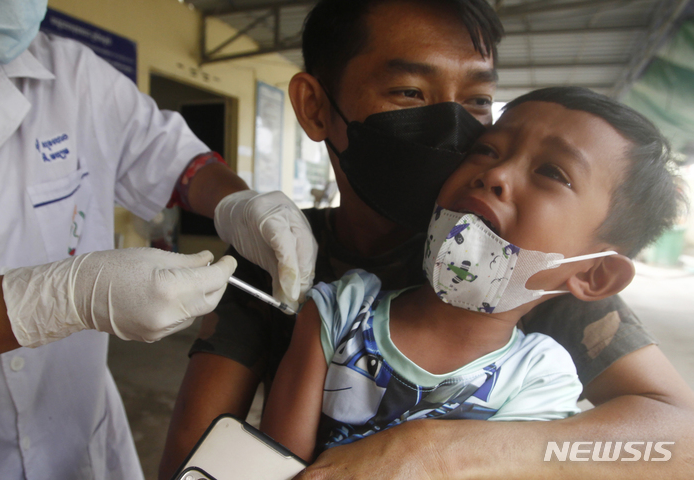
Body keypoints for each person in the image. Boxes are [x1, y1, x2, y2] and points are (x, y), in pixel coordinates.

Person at [162, 1, 694, 478]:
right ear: (316, 107)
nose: (455, 125)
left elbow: (679, 438)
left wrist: (440, 451)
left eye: (479, 99)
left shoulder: (526, 272)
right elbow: (194, 455)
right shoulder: (277, 255)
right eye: (410, 92)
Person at [0, 1, 317, 478]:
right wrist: (62, 299)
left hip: (80, 434)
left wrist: (236, 205)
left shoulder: (73, 75)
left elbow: (175, 161)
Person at [259, 86, 681, 462]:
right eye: (487, 150)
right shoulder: (341, 309)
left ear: (595, 276)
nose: (495, 174)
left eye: (552, 172)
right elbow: (272, 465)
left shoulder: (541, 379)